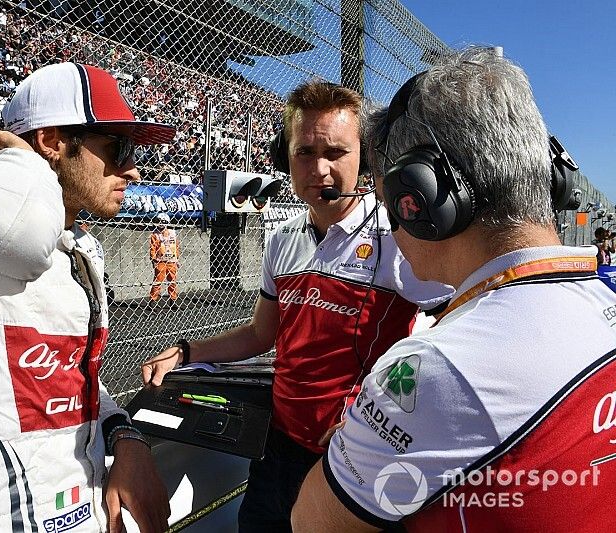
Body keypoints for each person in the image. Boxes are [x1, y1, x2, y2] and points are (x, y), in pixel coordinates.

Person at [293, 47, 616, 532]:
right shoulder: (604, 301)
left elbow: (311, 522)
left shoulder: (438, 370)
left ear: (419, 200)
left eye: (388, 201)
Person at [140, 80, 452, 532]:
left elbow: (455, 325)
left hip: (354, 455)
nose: (320, 168)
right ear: (283, 157)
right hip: (277, 444)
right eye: (304, 152)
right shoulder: (283, 239)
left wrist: (373, 415)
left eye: (337, 152)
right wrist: (187, 352)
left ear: (365, 158)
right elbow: (260, 335)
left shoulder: (397, 237)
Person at [0, 62, 176, 533]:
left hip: (92, 510)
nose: (132, 168)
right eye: (117, 147)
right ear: (52, 142)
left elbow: (75, 378)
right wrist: (20, 160)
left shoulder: (78, 251)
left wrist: (124, 436)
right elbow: (12, 234)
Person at [149, 212, 179, 301]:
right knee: (158, 281)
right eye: (159, 221)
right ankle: (153, 300)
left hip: (172, 260)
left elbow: (176, 246)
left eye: (162, 221)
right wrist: (153, 259)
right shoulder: (155, 235)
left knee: (172, 281)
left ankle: (173, 299)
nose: (160, 224)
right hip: (160, 261)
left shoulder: (172, 233)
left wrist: (177, 258)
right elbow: (152, 248)